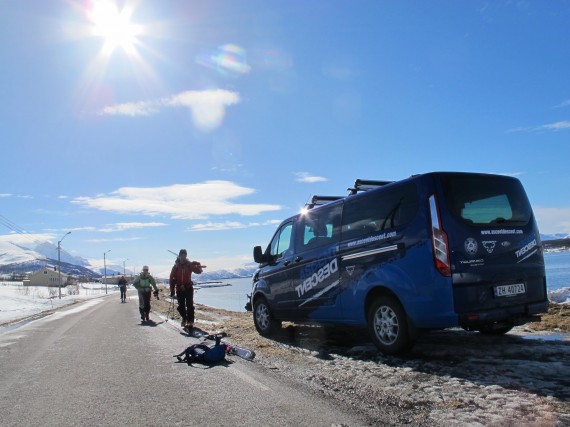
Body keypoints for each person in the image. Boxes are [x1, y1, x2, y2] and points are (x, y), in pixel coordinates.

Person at [169, 249, 205, 329]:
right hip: (179, 289)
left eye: (184, 255)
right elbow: (172, 278)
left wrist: (198, 265)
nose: (183, 257)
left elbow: (198, 271)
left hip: (188, 287)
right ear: (179, 256)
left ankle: (190, 321)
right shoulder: (175, 267)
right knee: (181, 306)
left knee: (190, 305)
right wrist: (172, 290)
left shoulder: (189, 265)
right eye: (182, 255)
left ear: (186, 256)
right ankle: (184, 318)